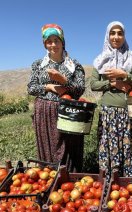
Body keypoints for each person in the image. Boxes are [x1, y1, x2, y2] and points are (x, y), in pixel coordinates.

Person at [91, 21, 132, 180]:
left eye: (120, 33)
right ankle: (110, 187)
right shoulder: (100, 59)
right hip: (108, 113)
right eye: (112, 33)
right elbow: (93, 84)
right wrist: (111, 83)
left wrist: (123, 74)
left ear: (124, 36)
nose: (116, 36)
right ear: (107, 36)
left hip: (131, 112)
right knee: (109, 150)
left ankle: (129, 186)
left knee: (131, 149)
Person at [27, 24, 86, 172]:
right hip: (44, 113)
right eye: (49, 41)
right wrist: (48, 87)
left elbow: (79, 90)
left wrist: (63, 80)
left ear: (62, 41)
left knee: (70, 148)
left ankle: (70, 181)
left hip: (69, 112)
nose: (53, 45)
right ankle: (48, 180)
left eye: (56, 40)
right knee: (47, 146)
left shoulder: (74, 65)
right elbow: (31, 88)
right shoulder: (38, 65)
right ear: (45, 44)